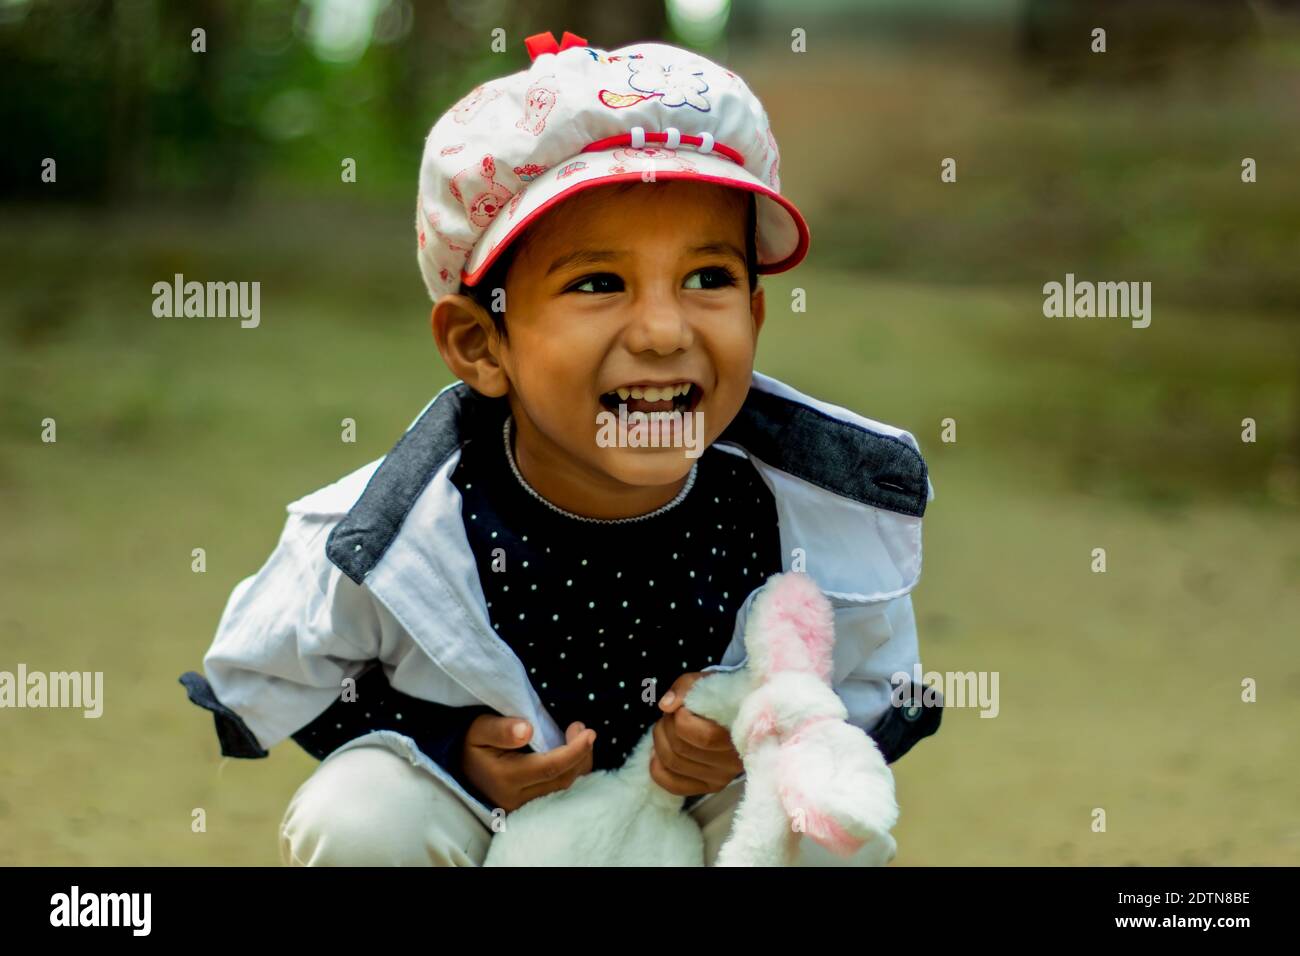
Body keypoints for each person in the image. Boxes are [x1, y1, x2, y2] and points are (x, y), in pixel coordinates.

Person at [179, 30, 941, 867]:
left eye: (708, 278)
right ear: (480, 345)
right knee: (361, 816)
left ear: (755, 317)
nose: (662, 330)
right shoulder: (393, 529)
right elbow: (285, 676)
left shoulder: (815, 509)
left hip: (699, 830)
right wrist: (440, 741)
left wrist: (751, 741)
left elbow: (866, 703)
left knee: (827, 833)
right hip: (490, 824)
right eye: (597, 283)